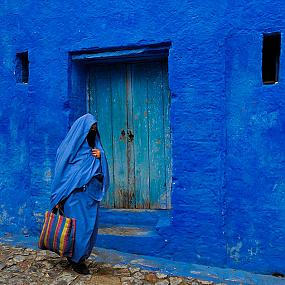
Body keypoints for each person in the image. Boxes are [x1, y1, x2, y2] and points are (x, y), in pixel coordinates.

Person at [50, 113, 109, 274]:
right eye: (90, 129)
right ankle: (76, 260)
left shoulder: (96, 150)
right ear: (81, 131)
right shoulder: (67, 151)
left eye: (95, 129)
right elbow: (61, 175)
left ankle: (80, 257)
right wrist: (58, 196)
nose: (93, 132)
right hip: (74, 198)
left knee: (89, 229)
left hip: (91, 197)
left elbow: (102, 174)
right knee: (77, 230)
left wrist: (101, 157)